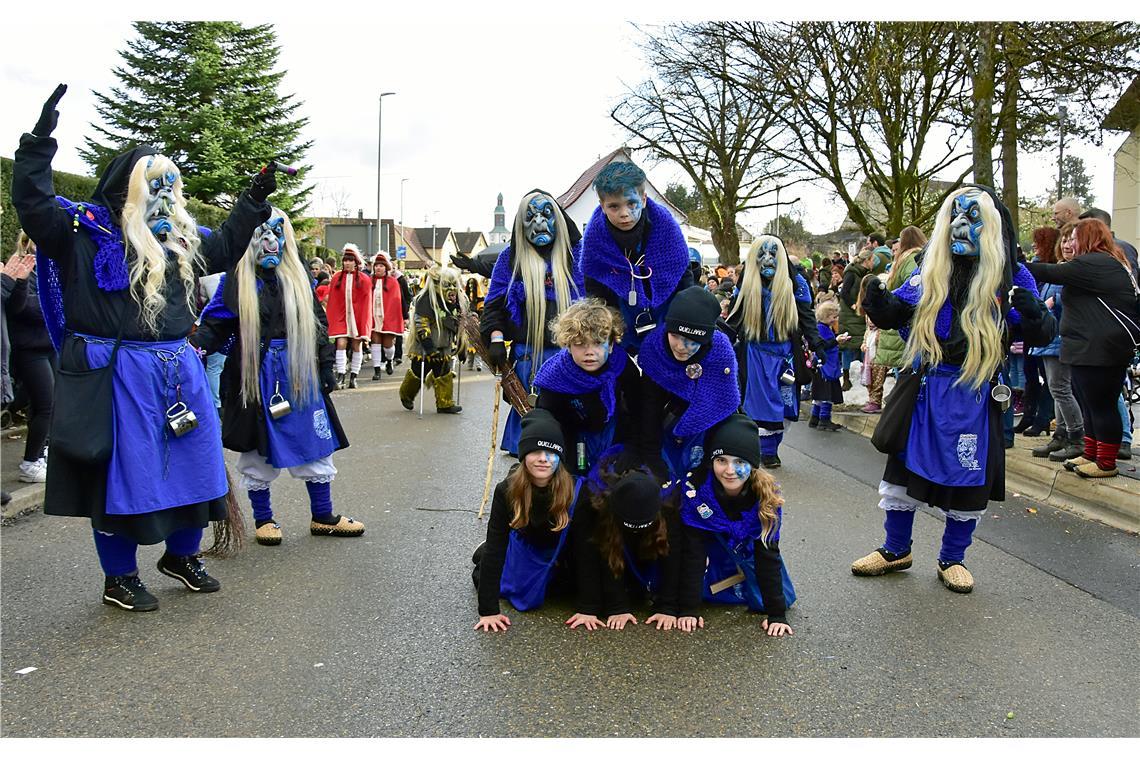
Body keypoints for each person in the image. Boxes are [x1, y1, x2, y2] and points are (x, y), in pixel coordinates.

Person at [12, 84, 274, 611]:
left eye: (171, 188)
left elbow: (226, 247)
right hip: (115, 372)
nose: (166, 197)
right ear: (128, 190)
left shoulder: (179, 242)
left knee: (198, 466)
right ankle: (119, 577)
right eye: (156, 186)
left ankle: (182, 556)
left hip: (177, 369)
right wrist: (37, 145)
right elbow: (33, 204)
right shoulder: (80, 232)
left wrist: (252, 200)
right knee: (122, 476)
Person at [852, 185, 1055, 594]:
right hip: (925, 387)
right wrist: (878, 302)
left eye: (972, 217)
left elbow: (1040, 332)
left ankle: (952, 559)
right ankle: (896, 549)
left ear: (991, 226)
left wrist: (1034, 314)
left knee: (969, 477)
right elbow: (899, 311)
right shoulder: (931, 269)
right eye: (956, 216)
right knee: (903, 471)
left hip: (975, 393)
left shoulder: (1011, 275)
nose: (961, 224)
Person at [193, 210, 361, 546]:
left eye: (277, 234)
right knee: (256, 448)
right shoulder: (235, 282)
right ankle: (264, 519)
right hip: (254, 376)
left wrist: (325, 366)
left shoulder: (298, 279)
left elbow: (317, 325)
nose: (271, 242)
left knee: (314, 441)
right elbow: (213, 326)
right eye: (262, 234)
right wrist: (189, 352)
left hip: (300, 373)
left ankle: (323, 515)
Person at [1026, 219, 1140, 478]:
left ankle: (1106, 463)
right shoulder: (1103, 263)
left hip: (1100, 349)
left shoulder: (1095, 263)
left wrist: (1011, 262)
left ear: (1088, 239)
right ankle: (1091, 453)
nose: (1071, 243)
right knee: (1089, 405)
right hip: (1088, 347)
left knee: (1101, 406)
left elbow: (1047, 272)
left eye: (1075, 238)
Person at [481, 190, 584, 455]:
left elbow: (592, 303)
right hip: (527, 357)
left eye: (546, 215)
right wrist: (495, 338)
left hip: (568, 355)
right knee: (529, 415)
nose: (539, 223)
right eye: (531, 216)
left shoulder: (576, 256)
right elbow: (494, 305)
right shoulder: (510, 258)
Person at [675, 414, 796, 636]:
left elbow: (768, 555)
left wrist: (776, 615)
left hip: (745, 553)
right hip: (711, 556)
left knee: (765, 592)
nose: (730, 470)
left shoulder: (767, 497)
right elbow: (693, 553)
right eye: (721, 461)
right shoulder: (696, 492)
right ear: (711, 462)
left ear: (752, 464)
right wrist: (688, 610)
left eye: (739, 462)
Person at [472, 410, 585, 632]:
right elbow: (496, 549)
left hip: (555, 549)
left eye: (551, 452)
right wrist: (488, 611)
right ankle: (482, 552)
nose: (543, 458)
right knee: (501, 578)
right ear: (524, 455)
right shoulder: (506, 490)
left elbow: (584, 548)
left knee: (560, 591)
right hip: (525, 542)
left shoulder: (575, 490)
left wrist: (588, 607)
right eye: (535, 452)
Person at [727, 235, 826, 468]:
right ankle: (765, 450)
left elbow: (807, 317)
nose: (768, 259)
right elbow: (734, 319)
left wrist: (818, 344)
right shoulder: (747, 282)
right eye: (762, 254)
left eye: (773, 253)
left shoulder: (796, 282)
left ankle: (772, 448)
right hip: (754, 355)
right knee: (758, 406)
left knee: (784, 404)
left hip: (785, 357)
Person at [580, 162, 692, 356]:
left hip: (667, 322)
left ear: (644, 199)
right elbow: (595, 291)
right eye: (614, 206)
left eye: (631, 203)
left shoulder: (666, 228)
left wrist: (682, 323)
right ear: (602, 206)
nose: (624, 214)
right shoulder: (594, 238)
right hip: (620, 327)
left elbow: (684, 279)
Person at [637, 287, 740, 480]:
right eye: (675, 335)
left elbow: (724, 408)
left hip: (706, 435)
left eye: (691, 340)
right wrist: (651, 458)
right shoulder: (654, 349)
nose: (680, 347)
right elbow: (648, 408)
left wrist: (710, 462)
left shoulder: (721, 353)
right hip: (664, 430)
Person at [569, 457, 679, 632]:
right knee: (608, 544)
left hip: (650, 549)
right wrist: (604, 607)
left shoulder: (669, 509)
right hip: (613, 532)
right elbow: (594, 556)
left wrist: (668, 607)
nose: (634, 532)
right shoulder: (595, 506)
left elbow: (674, 560)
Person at [533, 299, 641, 475]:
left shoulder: (621, 365)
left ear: (611, 345)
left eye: (598, 343)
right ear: (568, 346)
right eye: (580, 344)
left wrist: (631, 450)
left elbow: (638, 411)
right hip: (573, 438)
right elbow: (549, 424)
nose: (589, 352)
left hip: (615, 435)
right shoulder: (555, 376)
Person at [4, 232, 56, 482]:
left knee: (44, 405)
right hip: (28, 349)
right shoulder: (21, 266)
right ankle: (30, 463)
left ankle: (40, 453)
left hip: (48, 346)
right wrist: (52, 304)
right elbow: (21, 307)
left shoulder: (52, 268)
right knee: (46, 404)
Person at [867, 226, 927, 413]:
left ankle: (902, 413)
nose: (895, 250)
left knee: (906, 373)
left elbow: (913, 289)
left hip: (905, 322)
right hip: (901, 322)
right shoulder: (911, 259)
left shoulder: (910, 259)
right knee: (904, 372)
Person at [399, 265, 467, 414]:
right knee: (418, 373)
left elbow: (460, 327)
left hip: (444, 346)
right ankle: (406, 395)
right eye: (446, 285)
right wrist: (429, 346)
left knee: (444, 373)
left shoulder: (457, 303)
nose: (452, 289)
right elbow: (421, 324)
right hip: (425, 348)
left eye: (454, 285)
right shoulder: (425, 301)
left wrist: (462, 348)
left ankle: (445, 403)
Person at [325, 243, 373, 389]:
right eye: (345, 260)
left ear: (356, 262)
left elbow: (366, 303)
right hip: (341, 317)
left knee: (357, 345)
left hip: (357, 317)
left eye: (350, 260)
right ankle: (341, 375)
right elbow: (332, 300)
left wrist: (364, 322)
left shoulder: (364, 279)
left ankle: (353, 376)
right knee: (341, 343)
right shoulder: (337, 277)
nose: (347, 263)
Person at [809, 299, 848, 431]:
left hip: (820, 367)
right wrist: (836, 340)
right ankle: (824, 419)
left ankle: (815, 418)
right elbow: (824, 345)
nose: (835, 319)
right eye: (833, 317)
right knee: (827, 395)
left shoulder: (821, 328)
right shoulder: (822, 329)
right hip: (827, 367)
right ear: (825, 316)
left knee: (819, 395)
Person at [369, 251, 404, 379]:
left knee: (388, 344)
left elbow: (399, 301)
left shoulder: (393, 282)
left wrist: (403, 317)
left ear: (386, 268)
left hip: (388, 317)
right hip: (373, 316)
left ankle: (389, 360)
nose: (378, 268)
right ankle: (377, 370)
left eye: (381, 266)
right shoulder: (369, 281)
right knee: (375, 342)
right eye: (376, 266)